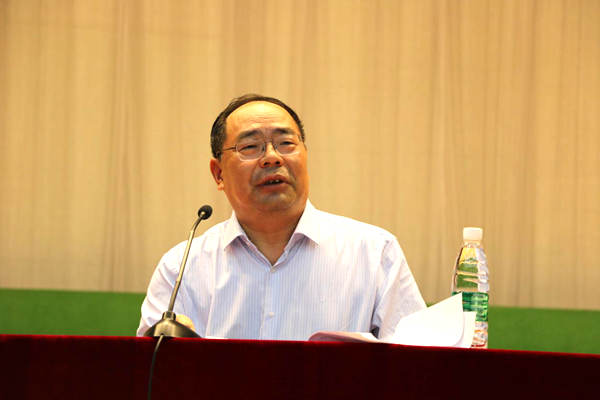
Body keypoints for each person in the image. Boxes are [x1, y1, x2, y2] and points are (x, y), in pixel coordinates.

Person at [137, 94, 426, 340]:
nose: (272, 157)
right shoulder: (181, 268)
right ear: (219, 173)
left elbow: (419, 367)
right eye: (250, 147)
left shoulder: (375, 254)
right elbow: (148, 375)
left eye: (286, 143)